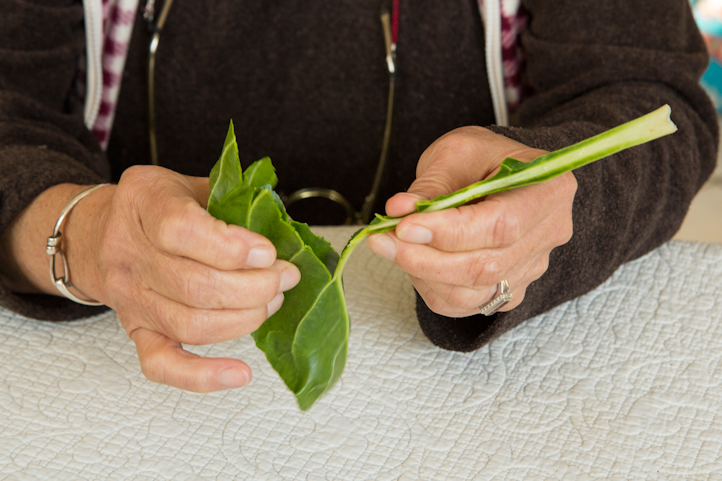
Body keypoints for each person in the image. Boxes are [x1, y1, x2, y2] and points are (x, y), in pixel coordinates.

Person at [0, 0, 717, 393]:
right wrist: (74, 231)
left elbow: (652, 107)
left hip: (473, 399)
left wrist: (557, 202)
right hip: (120, 389)